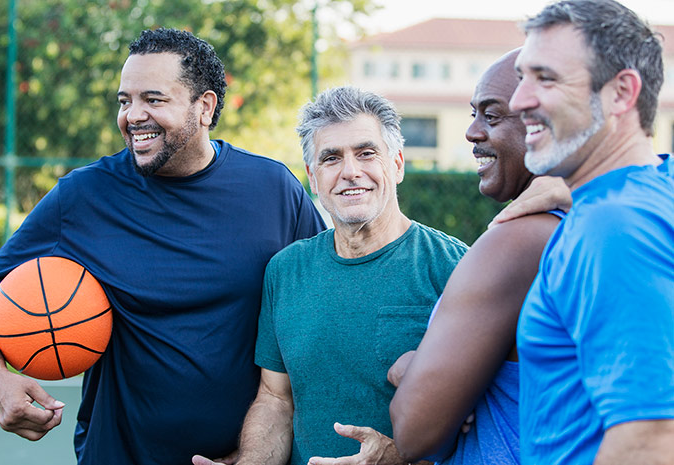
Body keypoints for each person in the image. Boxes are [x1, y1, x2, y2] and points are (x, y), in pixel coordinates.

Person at [0, 28, 326, 465]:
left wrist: (257, 453)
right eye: (124, 101)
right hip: (115, 454)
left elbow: (321, 306)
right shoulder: (84, 196)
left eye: (153, 99)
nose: (133, 116)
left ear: (204, 107)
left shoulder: (272, 189)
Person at [193, 86, 470, 465]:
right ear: (312, 175)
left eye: (366, 153)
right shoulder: (286, 271)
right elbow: (276, 399)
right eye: (331, 158)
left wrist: (397, 457)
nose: (350, 172)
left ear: (398, 164)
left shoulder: (456, 268)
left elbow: (481, 416)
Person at [509, 1, 674, 463]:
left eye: (546, 78)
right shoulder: (649, 193)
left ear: (621, 93)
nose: (520, 99)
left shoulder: (613, 227)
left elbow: (652, 439)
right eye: (523, 76)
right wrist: (571, 190)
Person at [388, 49, 563, 465]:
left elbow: (415, 432)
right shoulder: (613, 216)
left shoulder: (518, 242)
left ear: (541, 123)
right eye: (473, 113)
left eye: (492, 115)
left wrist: (410, 368)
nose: (471, 132)